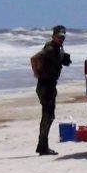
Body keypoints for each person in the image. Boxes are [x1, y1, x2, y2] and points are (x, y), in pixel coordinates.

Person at [31, 25, 72, 155]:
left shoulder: (58, 49)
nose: (61, 39)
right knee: (47, 116)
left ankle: (42, 145)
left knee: (49, 116)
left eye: (63, 37)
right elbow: (34, 58)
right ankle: (42, 146)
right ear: (53, 36)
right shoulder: (49, 48)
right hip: (45, 85)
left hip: (50, 85)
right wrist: (36, 73)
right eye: (59, 37)